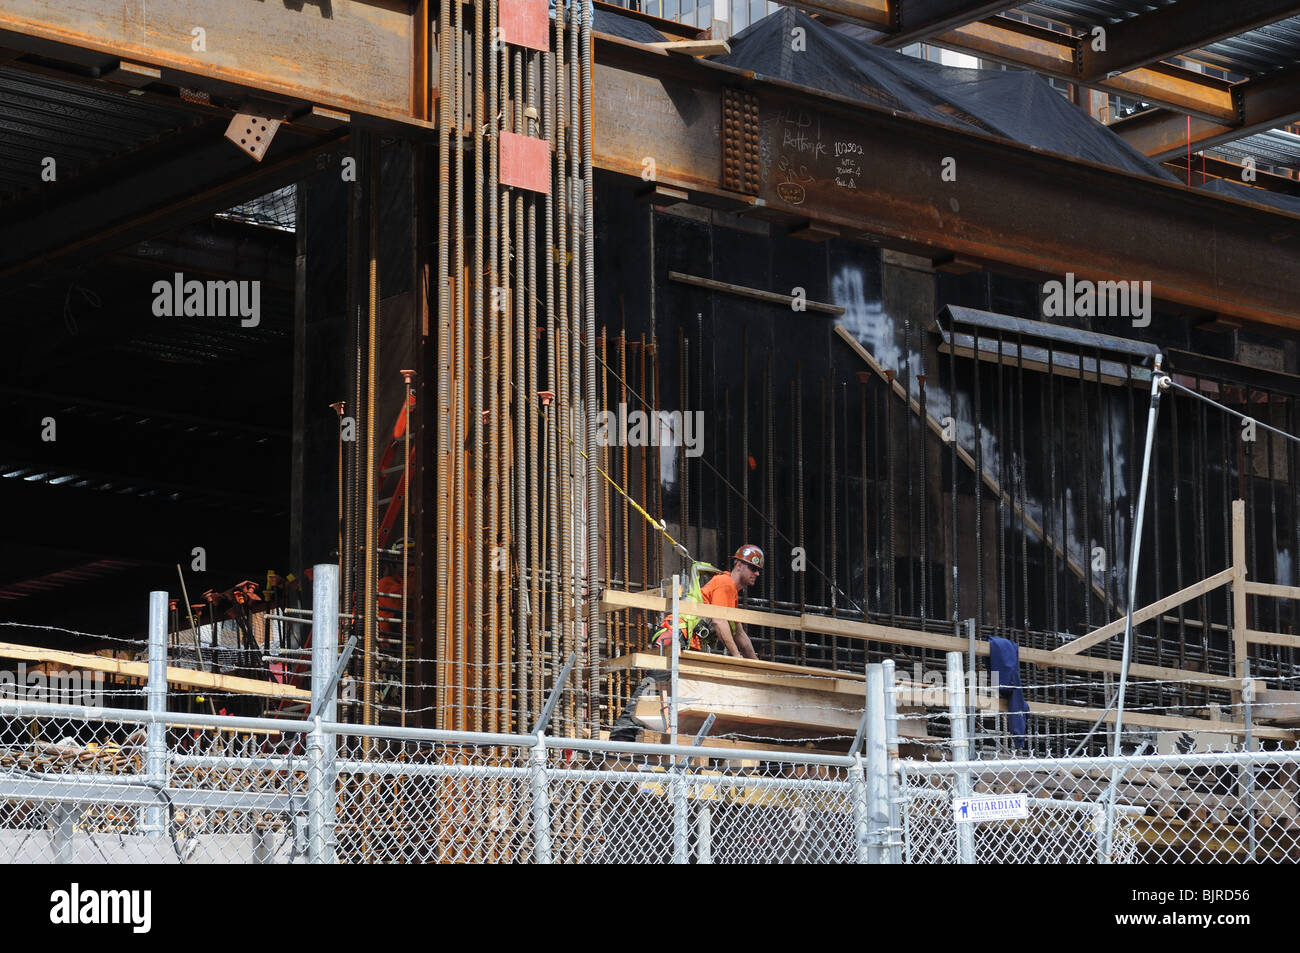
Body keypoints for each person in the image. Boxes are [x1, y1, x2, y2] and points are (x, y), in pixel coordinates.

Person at [651, 544, 764, 659]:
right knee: (659, 676)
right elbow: (719, 621)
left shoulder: (730, 592)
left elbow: (740, 634)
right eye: (753, 568)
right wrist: (736, 655)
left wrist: (757, 665)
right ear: (739, 565)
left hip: (685, 638)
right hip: (676, 635)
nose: (757, 573)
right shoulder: (726, 583)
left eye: (758, 570)